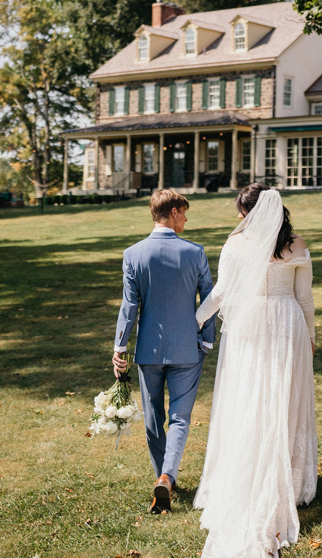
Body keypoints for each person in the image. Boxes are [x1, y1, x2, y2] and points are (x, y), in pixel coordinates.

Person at [192, 184, 318, 557]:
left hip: (251, 327)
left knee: (250, 398)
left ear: (248, 213)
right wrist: (311, 336)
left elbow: (221, 293)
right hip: (288, 323)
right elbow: (305, 297)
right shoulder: (295, 243)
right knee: (284, 398)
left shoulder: (236, 244)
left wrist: (194, 319)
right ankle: (292, 482)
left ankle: (255, 472)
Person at [113, 189, 217, 514]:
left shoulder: (133, 254)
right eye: (184, 212)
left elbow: (130, 304)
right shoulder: (195, 252)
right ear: (172, 212)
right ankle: (167, 477)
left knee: (153, 420)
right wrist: (208, 339)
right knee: (180, 418)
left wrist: (120, 346)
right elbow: (210, 298)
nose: (186, 218)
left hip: (148, 351)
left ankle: (163, 477)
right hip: (187, 348)